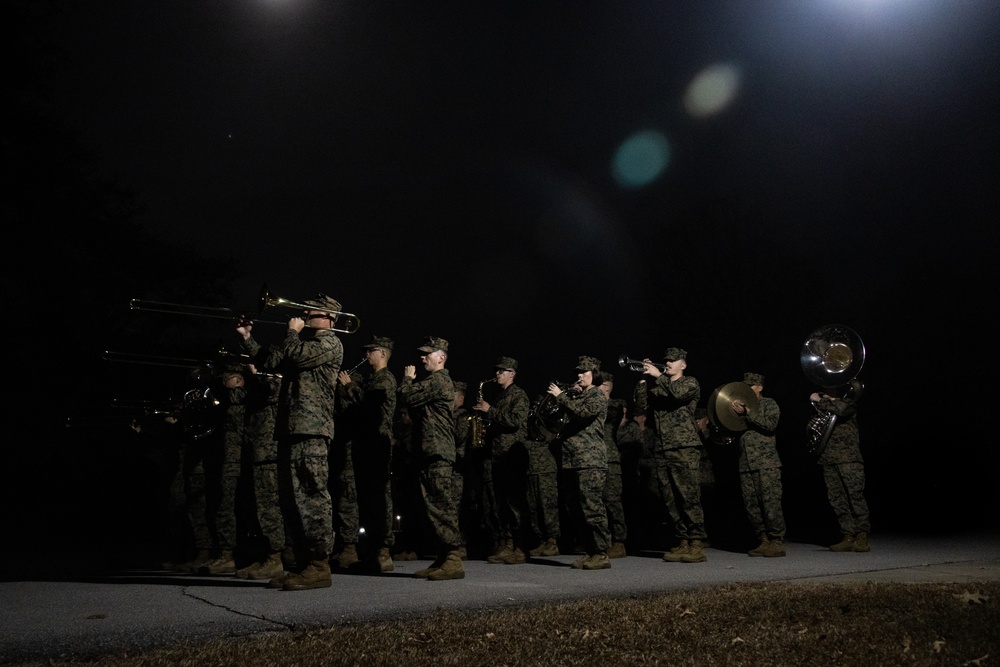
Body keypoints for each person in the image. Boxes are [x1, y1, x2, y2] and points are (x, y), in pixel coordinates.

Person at [237, 293, 344, 591]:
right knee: (292, 499)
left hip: (312, 429)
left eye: (312, 310)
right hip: (290, 428)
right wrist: (248, 338)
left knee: (311, 496)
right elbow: (272, 360)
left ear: (330, 318)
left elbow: (294, 355)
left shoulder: (330, 343)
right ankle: (303, 563)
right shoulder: (303, 343)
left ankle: (320, 565)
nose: (306, 312)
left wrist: (292, 332)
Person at [397, 336, 464, 581]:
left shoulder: (438, 380)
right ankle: (443, 557)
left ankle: (453, 560)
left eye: (427, 353)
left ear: (441, 357)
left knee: (441, 507)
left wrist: (407, 379)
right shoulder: (433, 382)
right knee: (432, 507)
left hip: (437, 451)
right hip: (429, 450)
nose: (422, 357)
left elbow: (405, 397)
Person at [635, 347, 707, 563]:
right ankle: (682, 540)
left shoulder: (690, 383)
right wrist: (643, 380)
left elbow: (677, 394)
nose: (667, 364)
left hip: (684, 447)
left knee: (688, 496)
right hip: (662, 448)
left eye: (673, 361)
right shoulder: (658, 386)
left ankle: (696, 542)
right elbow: (640, 406)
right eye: (666, 360)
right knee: (669, 498)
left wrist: (659, 377)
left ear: (683, 365)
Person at [338, 335, 398, 573]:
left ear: (382, 353)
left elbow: (370, 406)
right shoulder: (375, 379)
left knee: (379, 499)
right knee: (369, 499)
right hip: (368, 445)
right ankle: (373, 552)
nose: (366, 356)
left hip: (377, 445)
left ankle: (382, 552)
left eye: (370, 351)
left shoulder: (385, 379)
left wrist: (349, 385)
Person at [548, 356, 611, 570]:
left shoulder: (597, 395)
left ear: (595, 374)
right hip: (572, 460)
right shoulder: (578, 396)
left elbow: (584, 413)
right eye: (578, 372)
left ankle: (601, 552)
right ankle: (590, 550)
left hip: (590, 460)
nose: (579, 375)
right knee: (575, 509)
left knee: (592, 507)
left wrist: (562, 396)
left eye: (584, 372)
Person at [474, 357, 531, 565]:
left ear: (512, 374)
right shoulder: (501, 396)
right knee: (502, 505)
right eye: (497, 371)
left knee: (515, 504)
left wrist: (491, 411)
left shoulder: (519, 394)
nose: (497, 374)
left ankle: (521, 547)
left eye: (502, 371)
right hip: (498, 456)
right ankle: (508, 545)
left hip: (512, 456)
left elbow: (516, 421)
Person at [233, 365, 288, 580]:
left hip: (269, 453)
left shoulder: (276, 379)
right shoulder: (259, 386)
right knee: (257, 506)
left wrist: (255, 374)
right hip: (257, 451)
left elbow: (273, 391)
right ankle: (264, 553)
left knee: (269, 506)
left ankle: (274, 557)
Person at [811, 378, 870, 552]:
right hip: (828, 458)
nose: (827, 389)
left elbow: (842, 411)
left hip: (848, 458)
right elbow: (815, 427)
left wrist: (820, 400)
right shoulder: (821, 408)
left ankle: (862, 535)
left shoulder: (848, 402)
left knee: (855, 496)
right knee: (837, 499)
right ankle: (848, 535)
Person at [731, 372, 786, 558]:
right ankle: (763, 540)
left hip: (766, 462)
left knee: (771, 503)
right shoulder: (740, 407)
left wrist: (748, 413)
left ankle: (777, 541)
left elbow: (770, 425)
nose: (746, 389)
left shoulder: (768, 404)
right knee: (752, 506)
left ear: (760, 387)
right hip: (745, 463)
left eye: (750, 386)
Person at [524, 393, 562, 558]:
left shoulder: (548, 421)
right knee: (532, 507)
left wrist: (541, 416)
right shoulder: (528, 423)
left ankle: (552, 541)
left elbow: (550, 435)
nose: (534, 408)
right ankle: (540, 541)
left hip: (545, 467)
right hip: (530, 467)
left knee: (547, 505)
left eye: (537, 405)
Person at [598, 374, 628, 559]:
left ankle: (619, 541)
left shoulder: (615, 405)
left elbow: (609, 415)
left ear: (607, 387)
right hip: (594, 460)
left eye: (599, 384)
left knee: (612, 501)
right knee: (596, 503)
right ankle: (602, 541)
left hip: (610, 459)